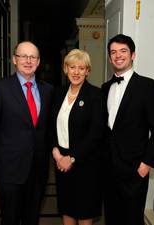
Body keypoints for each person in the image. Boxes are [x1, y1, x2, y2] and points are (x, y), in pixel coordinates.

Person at [101, 34, 154, 225]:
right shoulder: (105, 87)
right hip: (109, 168)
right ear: (109, 57)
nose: (118, 56)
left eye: (123, 51)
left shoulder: (149, 86)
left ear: (133, 55)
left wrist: (146, 165)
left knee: (132, 220)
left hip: (134, 169)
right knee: (112, 218)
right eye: (113, 52)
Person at [0, 41, 54, 225]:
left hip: (38, 168)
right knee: (9, 218)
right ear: (14, 60)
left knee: (32, 217)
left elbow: (48, 129)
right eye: (23, 56)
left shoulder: (48, 90)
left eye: (33, 57)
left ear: (39, 61)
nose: (28, 60)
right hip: (9, 170)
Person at [51, 49, 103, 225]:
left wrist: (72, 158)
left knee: (84, 211)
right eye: (72, 67)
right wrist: (58, 155)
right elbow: (50, 127)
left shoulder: (95, 95)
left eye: (81, 68)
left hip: (85, 163)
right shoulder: (57, 93)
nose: (76, 72)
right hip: (61, 161)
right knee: (66, 208)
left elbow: (95, 134)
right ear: (66, 69)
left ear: (87, 71)